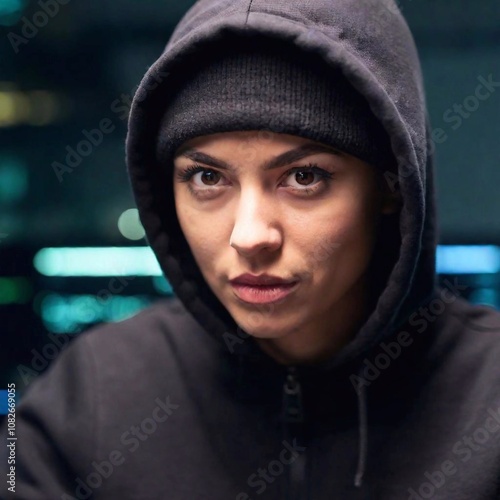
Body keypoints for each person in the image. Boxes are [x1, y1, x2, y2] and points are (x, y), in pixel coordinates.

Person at [2, 0, 500, 498]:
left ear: (391, 186)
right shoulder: (93, 392)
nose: (250, 235)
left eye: (304, 178)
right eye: (207, 177)